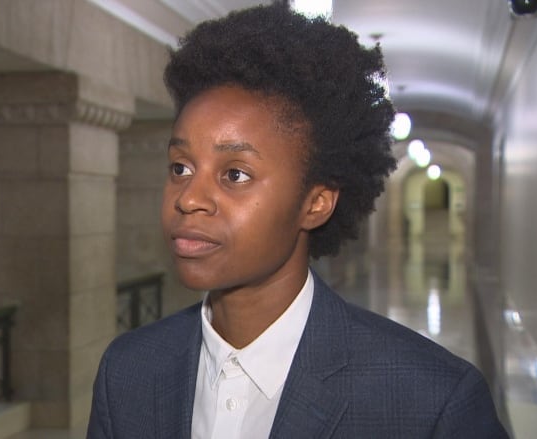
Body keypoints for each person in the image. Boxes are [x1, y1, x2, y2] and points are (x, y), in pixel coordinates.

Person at [87, 3, 508, 438]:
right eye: (181, 168)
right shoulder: (127, 371)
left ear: (316, 203)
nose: (189, 199)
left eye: (235, 174)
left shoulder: (431, 401)